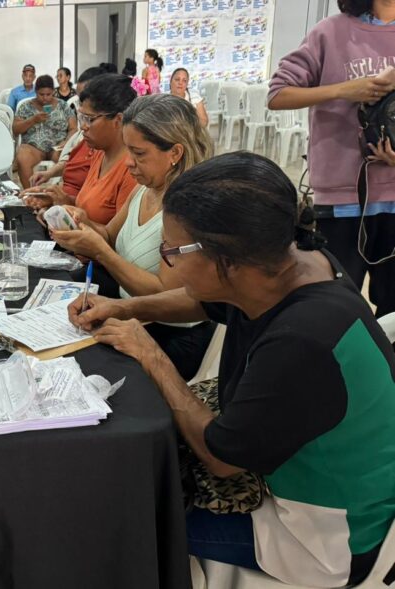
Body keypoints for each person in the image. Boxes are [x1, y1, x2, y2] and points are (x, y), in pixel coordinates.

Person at [70, 151, 395, 587]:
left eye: (172, 250)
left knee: (126, 519)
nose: (167, 262)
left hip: (327, 535)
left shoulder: (303, 340)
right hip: (305, 470)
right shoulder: (290, 263)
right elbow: (204, 301)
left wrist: (152, 355)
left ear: (227, 260)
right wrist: (126, 308)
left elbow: (222, 460)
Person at [52, 94, 214, 380]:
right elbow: (109, 235)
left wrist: (101, 252)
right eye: (128, 150)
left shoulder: (187, 210)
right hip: (132, 314)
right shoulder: (145, 189)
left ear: (175, 153)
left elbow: (165, 294)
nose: (128, 163)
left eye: (139, 154)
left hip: (169, 335)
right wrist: (82, 221)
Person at [269, 0, 395, 317]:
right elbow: (278, 94)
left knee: (393, 312)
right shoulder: (331, 32)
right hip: (342, 200)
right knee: (335, 310)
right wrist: (343, 90)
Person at [24, 74, 137, 225]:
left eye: (89, 119)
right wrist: (56, 200)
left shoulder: (132, 171)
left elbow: (116, 236)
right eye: (81, 118)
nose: (83, 127)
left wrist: (68, 210)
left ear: (118, 120)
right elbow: (86, 207)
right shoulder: (99, 153)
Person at [25, 66, 106, 199]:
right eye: (79, 100)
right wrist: (49, 176)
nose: (79, 107)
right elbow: (71, 163)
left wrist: (58, 199)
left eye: (83, 99)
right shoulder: (84, 135)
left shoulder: (102, 144)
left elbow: (88, 200)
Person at [13, 74, 77, 189]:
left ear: (53, 92)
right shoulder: (26, 106)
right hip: (34, 147)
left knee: (71, 156)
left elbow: (73, 128)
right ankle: (30, 193)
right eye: (41, 94)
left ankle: (66, 192)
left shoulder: (62, 105)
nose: (45, 98)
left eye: (48, 94)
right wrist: (33, 120)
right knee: (22, 155)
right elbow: (15, 129)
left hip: (57, 146)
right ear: (35, 92)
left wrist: (67, 142)